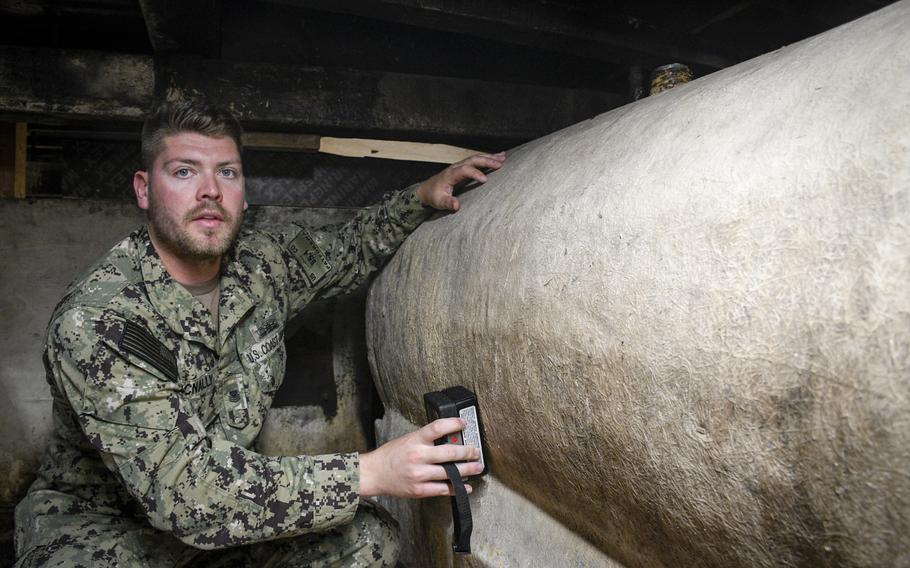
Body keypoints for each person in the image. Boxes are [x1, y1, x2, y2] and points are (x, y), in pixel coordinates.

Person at [14, 100, 506, 567]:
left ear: (243, 192)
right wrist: (370, 472)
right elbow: (185, 493)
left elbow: (350, 247)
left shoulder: (259, 266)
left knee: (367, 541)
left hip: (223, 521)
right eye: (184, 171)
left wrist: (420, 196)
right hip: (107, 532)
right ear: (144, 189)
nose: (210, 190)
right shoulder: (102, 321)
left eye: (226, 172)